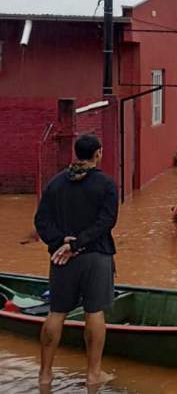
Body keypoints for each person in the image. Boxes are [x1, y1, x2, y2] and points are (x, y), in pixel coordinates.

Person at [33, 134, 117, 387]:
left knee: (56, 313)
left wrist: (61, 243)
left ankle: (45, 375)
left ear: (76, 153)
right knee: (94, 312)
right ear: (98, 153)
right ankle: (93, 375)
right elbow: (107, 221)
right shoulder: (106, 185)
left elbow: (41, 221)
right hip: (96, 255)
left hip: (62, 259)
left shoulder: (56, 183)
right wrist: (77, 243)